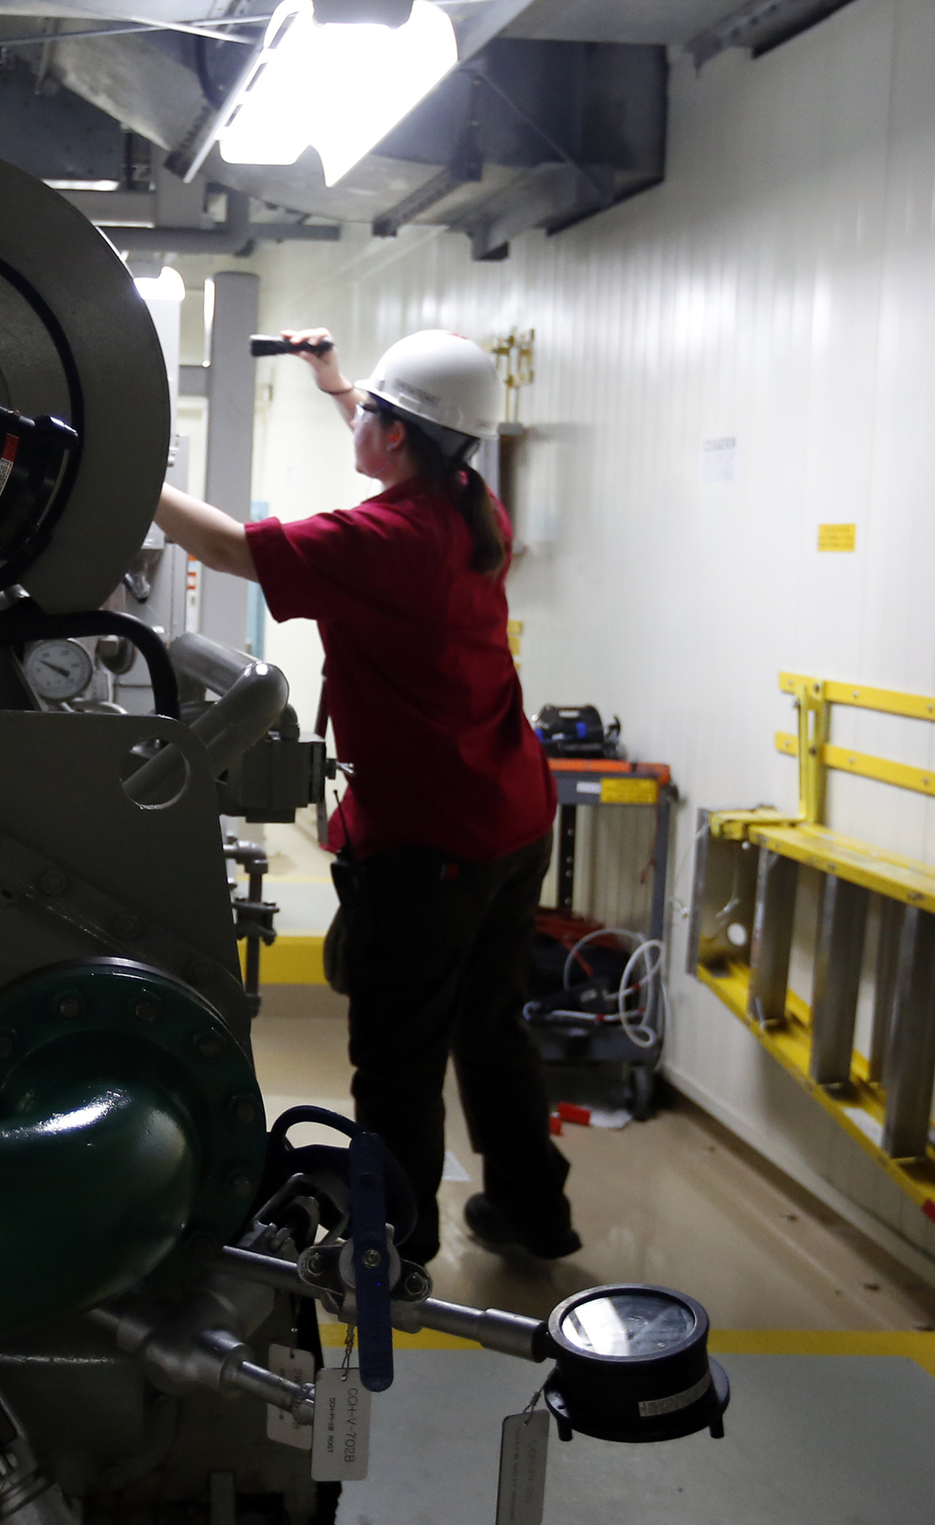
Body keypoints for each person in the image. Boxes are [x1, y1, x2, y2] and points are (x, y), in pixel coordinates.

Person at [152, 327, 578, 1264]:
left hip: (430, 839)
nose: (362, 424)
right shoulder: (471, 506)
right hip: (511, 814)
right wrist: (339, 386)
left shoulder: (385, 540)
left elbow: (227, 548)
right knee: (492, 1025)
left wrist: (129, 464)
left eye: (372, 415)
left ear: (396, 436)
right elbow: (415, 439)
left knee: (398, 1057)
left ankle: (395, 1251)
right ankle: (534, 1216)